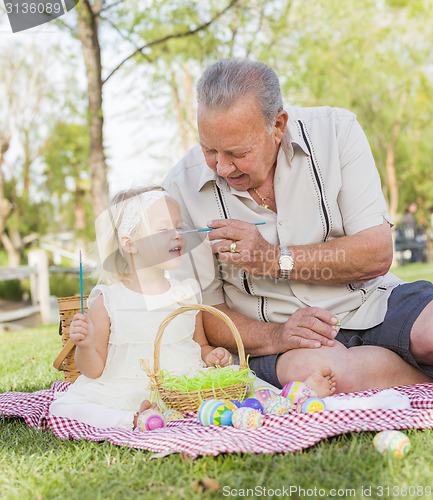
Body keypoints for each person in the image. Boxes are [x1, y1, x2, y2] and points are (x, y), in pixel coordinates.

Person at [163, 58, 433, 394]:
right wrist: (277, 336)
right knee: (327, 375)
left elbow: (376, 253)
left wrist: (274, 259)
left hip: (371, 302)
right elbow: (205, 315)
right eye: (209, 150)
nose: (222, 167)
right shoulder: (181, 187)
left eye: (237, 152)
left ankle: (384, 364)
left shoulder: (336, 130)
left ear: (277, 125)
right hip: (280, 339)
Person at [49, 186, 335, 430]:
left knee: (242, 383)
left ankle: (293, 396)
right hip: (128, 388)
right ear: (129, 245)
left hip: (186, 386)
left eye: (178, 227)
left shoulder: (185, 292)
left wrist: (214, 356)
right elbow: (94, 371)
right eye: (163, 230)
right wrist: (84, 345)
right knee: (66, 408)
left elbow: (199, 346)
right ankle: (132, 419)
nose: (177, 235)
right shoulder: (109, 300)